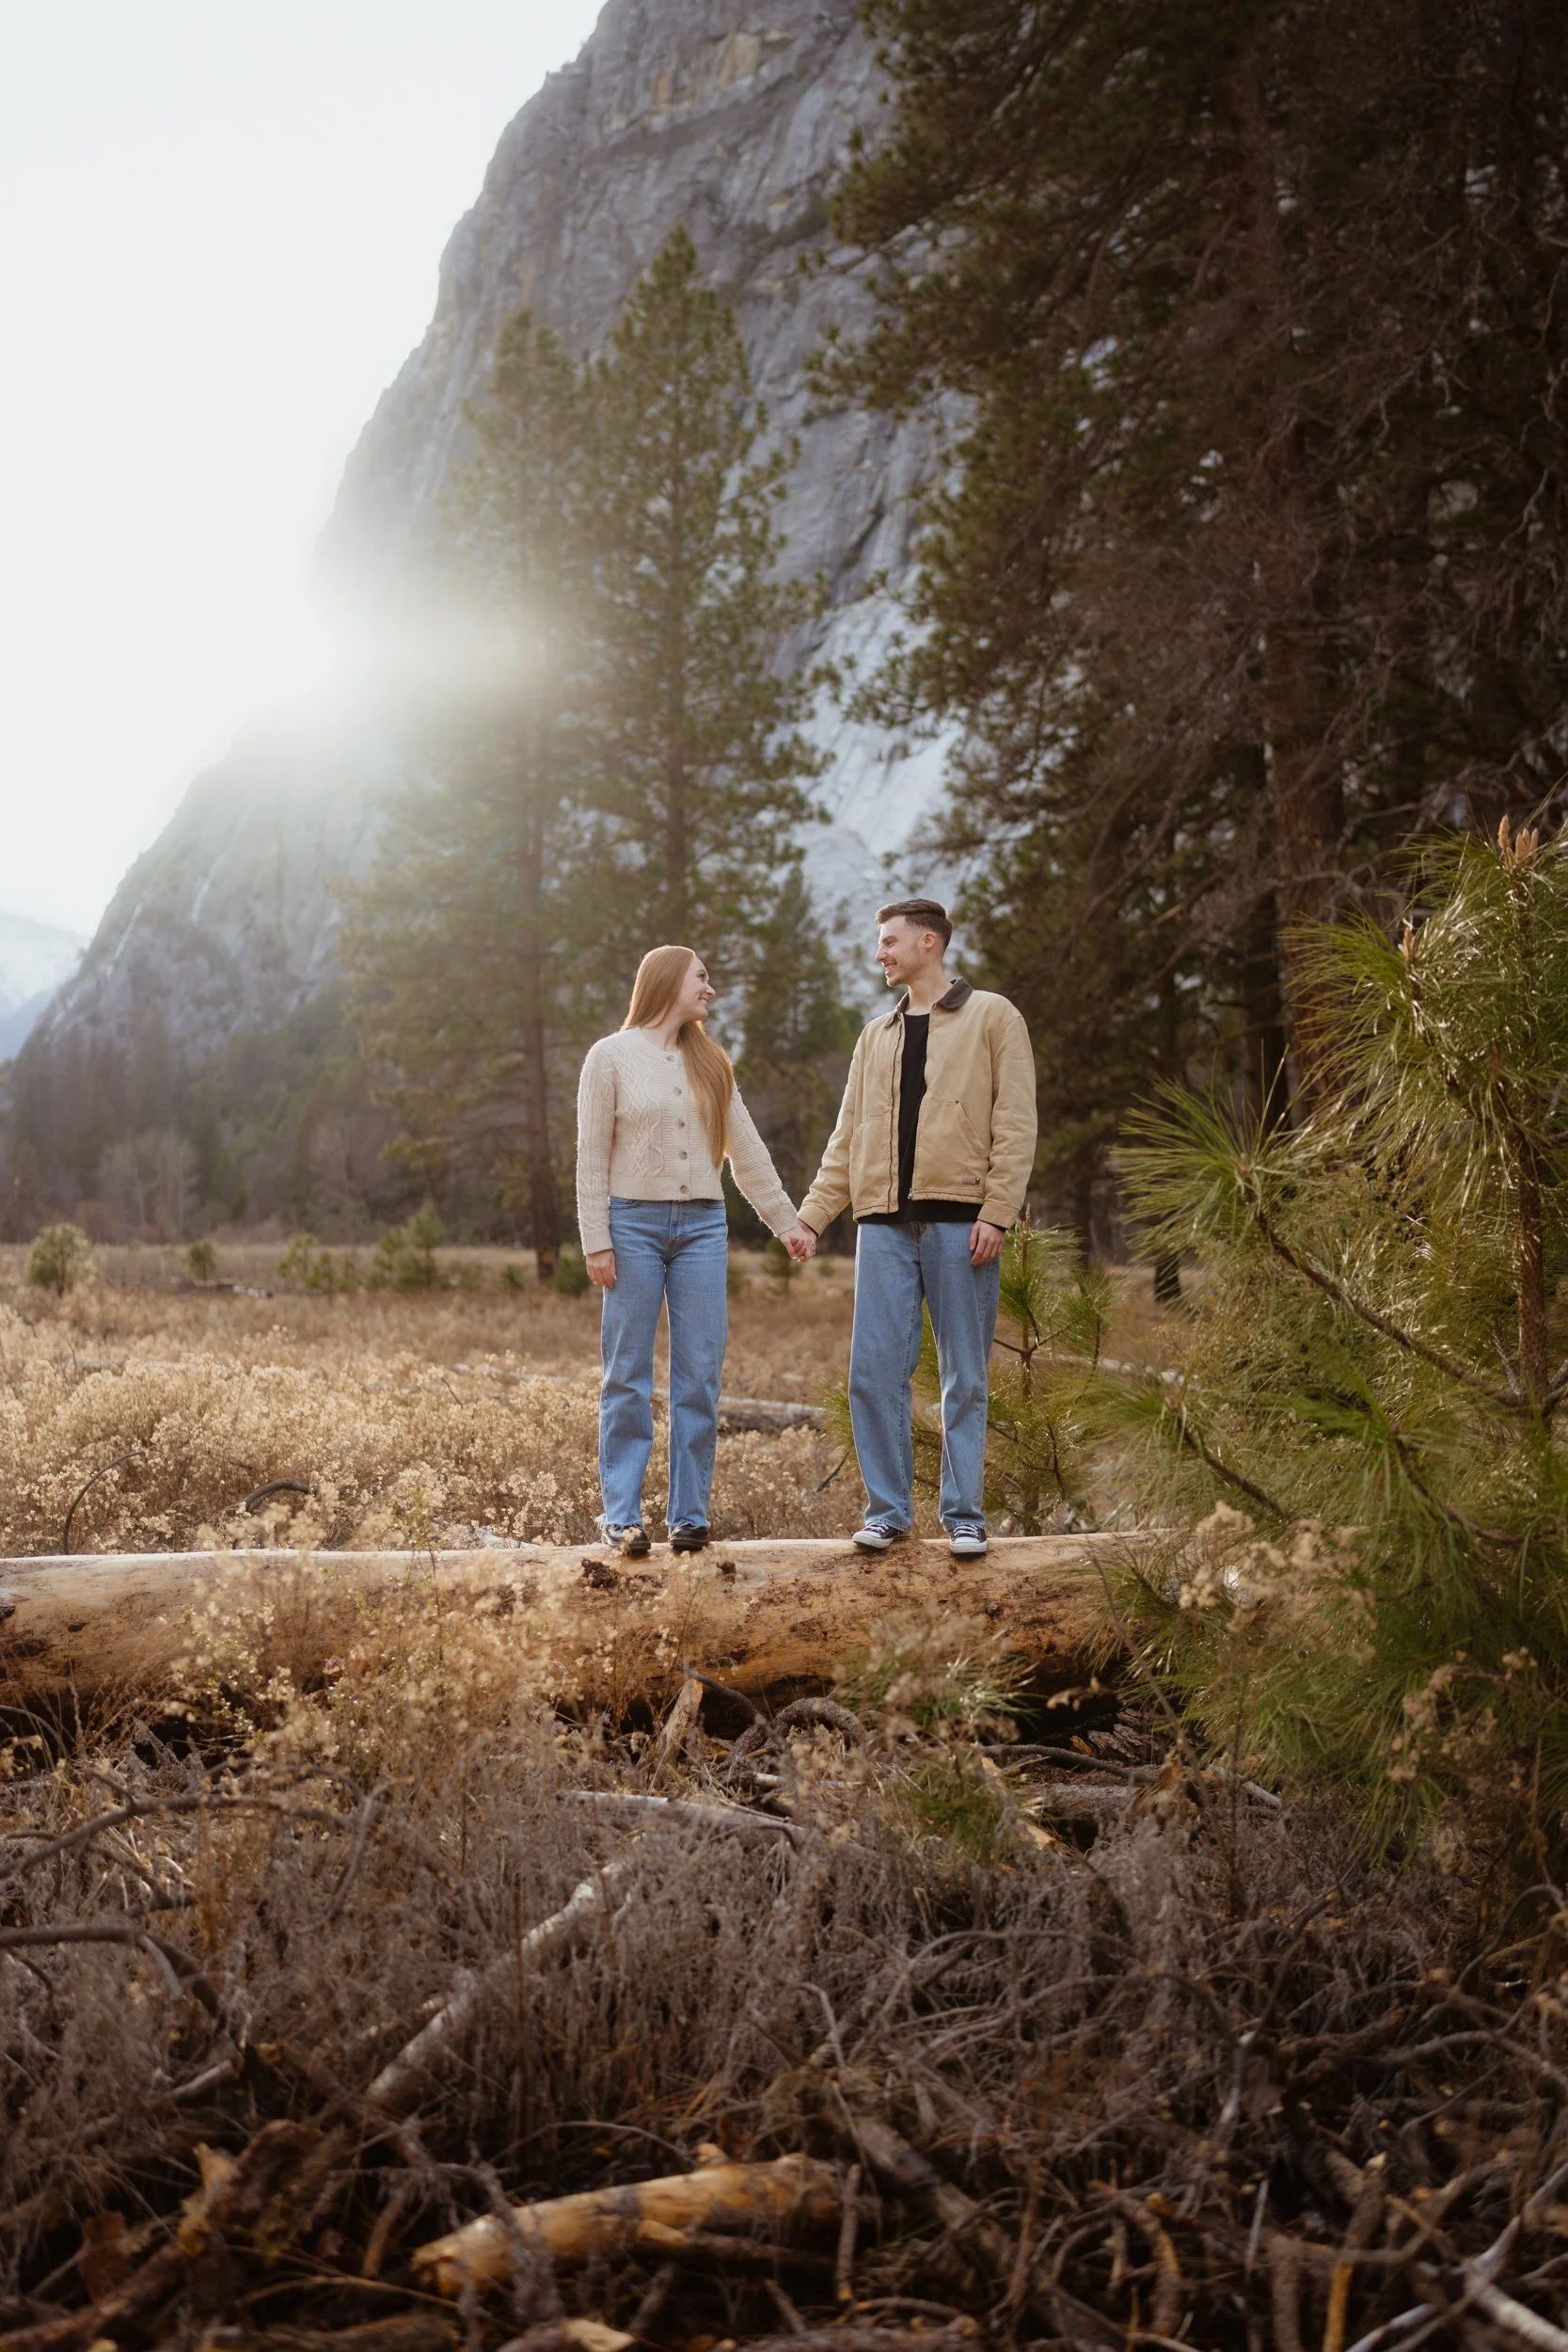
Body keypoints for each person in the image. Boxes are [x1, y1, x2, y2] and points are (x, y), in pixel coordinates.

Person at [780, 898, 1037, 1560]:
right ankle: (888, 1513)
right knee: (872, 1374)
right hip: (883, 1229)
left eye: (889, 941)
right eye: (878, 942)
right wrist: (812, 1215)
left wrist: (997, 1212)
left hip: (961, 1224)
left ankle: (964, 1517)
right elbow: (847, 1137)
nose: (880, 953)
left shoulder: (992, 1016)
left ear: (929, 943)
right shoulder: (877, 1034)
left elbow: (1015, 1124)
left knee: (964, 1377)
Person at [576, 944, 805, 1557]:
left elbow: (747, 1152)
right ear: (668, 981)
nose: (709, 989)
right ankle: (622, 1515)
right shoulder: (610, 1057)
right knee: (626, 1374)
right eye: (701, 978)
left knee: (699, 1375)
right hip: (631, 1226)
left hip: (703, 1227)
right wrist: (595, 1240)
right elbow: (591, 1156)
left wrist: (787, 1222)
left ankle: (689, 1516)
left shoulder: (711, 1063)